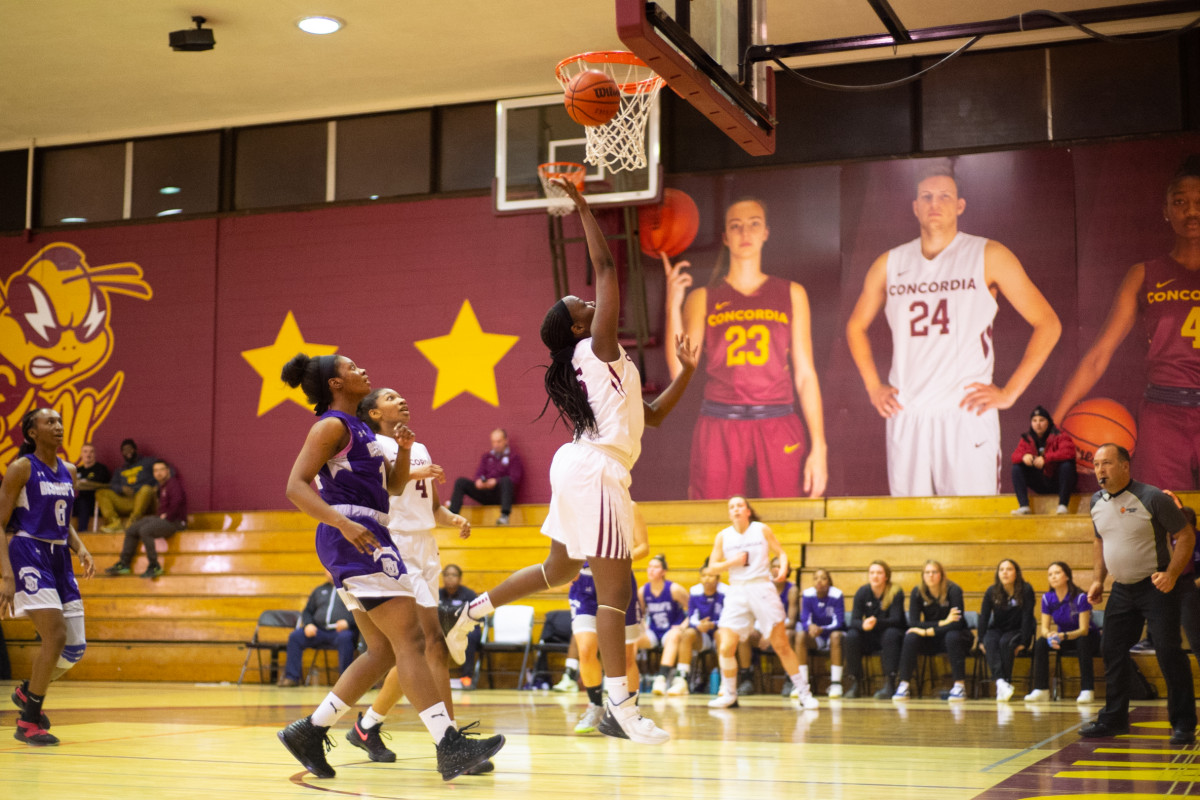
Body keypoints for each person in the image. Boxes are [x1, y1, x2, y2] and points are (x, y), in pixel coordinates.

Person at [445, 178, 699, 746]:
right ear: (581, 328)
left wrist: (686, 374)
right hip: (597, 470)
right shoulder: (595, 348)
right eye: (579, 306)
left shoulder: (605, 363)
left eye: (582, 300)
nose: (588, 299)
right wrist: (581, 206)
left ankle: (468, 613)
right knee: (615, 594)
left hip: (582, 463)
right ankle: (622, 710)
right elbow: (607, 271)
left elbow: (652, 416)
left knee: (558, 572)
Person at [274, 352, 503, 781]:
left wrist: (403, 450)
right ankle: (447, 744)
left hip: (371, 531)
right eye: (351, 367)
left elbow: (394, 487)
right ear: (335, 384)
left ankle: (310, 730)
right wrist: (341, 523)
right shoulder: (331, 426)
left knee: (381, 651)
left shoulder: (361, 430)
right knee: (411, 640)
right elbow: (294, 486)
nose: (362, 369)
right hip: (352, 533)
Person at [846, 162, 1062, 497]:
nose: (935, 203)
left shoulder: (987, 254)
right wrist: (874, 387)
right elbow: (856, 326)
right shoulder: (889, 264)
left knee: (973, 522)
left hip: (965, 413)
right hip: (908, 413)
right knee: (910, 525)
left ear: (960, 205)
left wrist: (1010, 393)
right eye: (927, 196)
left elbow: (1048, 323)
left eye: (945, 196)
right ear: (915, 206)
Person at [340, 387, 475, 766]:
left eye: (403, 396)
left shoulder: (420, 446)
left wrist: (451, 517)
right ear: (372, 412)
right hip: (394, 544)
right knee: (431, 642)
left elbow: (430, 505)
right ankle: (450, 742)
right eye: (390, 398)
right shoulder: (371, 445)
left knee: (415, 647)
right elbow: (382, 485)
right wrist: (413, 469)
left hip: (423, 545)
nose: (401, 400)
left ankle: (367, 726)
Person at [662, 197, 827, 500]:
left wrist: (820, 446)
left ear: (766, 232)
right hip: (721, 421)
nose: (745, 233)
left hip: (777, 420)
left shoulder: (791, 293)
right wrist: (673, 303)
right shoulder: (703, 297)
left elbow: (805, 375)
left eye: (754, 224)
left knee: (784, 520)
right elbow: (679, 372)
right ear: (725, 237)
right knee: (712, 522)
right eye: (735, 227)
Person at [1054, 157, 1200, 490]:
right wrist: (1054, 422)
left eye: (1198, 203)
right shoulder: (1145, 275)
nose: (1191, 211)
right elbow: (1097, 356)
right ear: (1165, 209)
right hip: (1164, 414)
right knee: (1164, 523)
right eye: (1180, 202)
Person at [1080, 443, 1196, 745]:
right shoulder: (1095, 501)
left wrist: (1171, 574)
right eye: (1095, 464)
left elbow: (1185, 535)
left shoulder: (1153, 497)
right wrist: (1097, 580)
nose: (1099, 470)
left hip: (1156, 587)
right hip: (1122, 589)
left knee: (1168, 652)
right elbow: (1099, 541)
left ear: (1124, 466)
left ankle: (1184, 722)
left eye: (1106, 463)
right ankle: (1114, 719)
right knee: (1111, 648)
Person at [0, 408, 94, 745]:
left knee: (74, 648)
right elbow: (0, 522)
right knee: (54, 635)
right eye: (49, 422)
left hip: (59, 556)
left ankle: (28, 692)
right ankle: (28, 723)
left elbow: (62, 519)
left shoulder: (69, 470)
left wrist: (80, 547)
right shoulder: (21, 468)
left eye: (59, 421)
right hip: (28, 552)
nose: (58, 426)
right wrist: (6, 576)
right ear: (31, 432)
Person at [705, 495, 819, 710]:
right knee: (727, 646)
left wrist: (784, 568)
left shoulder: (761, 529)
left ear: (748, 510)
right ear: (729, 513)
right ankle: (729, 694)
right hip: (737, 589)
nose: (736, 509)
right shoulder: (723, 536)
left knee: (781, 645)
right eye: (732, 507)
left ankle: (804, 693)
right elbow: (711, 567)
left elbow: (781, 553)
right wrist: (733, 562)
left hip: (761, 586)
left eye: (740, 505)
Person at [568, 503, 649, 735]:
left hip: (617, 579)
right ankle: (595, 706)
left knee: (625, 656)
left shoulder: (629, 506)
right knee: (585, 649)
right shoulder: (578, 505)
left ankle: (630, 713)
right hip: (584, 586)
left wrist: (615, 556)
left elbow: (643, 547)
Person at [892, 560, 971, 700]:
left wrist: (928, 631)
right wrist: (943, 622)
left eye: (934, 572)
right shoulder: (918, 592)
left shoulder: (953, 590)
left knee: (951, 636)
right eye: (927, 572)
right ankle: (904, 685)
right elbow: (914, 623)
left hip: (958, 637)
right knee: (911, 636)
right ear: (923, 575)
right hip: (933, 639)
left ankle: (959, 686)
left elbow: (956, 624)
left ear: (941, 575)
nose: (931, 575)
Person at [1024, 561, 1099, 703]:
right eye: (1050, 574)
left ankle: (1087, 690)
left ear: (1067, 576)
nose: (1053, 577)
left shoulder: (1081, 597)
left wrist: (1063, 636)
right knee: (1041, 642)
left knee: (1083, 642)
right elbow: (1044, 628)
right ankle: (1041, 690)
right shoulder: (1047, 598)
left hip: (1087, 638)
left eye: (1057, 573)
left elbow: (1083, 630)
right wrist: (1050, 636)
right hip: (1063, 638)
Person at [102, 460, 187, 578]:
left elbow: (177, 503)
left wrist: (167, 516)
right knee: (132, 529)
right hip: (163, 519)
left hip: (175, 522)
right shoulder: (161, 487)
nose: (158, 473)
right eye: (155, 470)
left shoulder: (173, 484)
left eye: (161, 470)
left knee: (145, 530)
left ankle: (154, 565)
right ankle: (124, 563)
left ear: (167, 471)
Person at [276, 570, 358, 688]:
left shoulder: (350, 590)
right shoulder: (319, 590)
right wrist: (309, 624)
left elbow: (361, 611)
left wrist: (348, 622)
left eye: (332, 569)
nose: (330, 572)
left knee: (346, 638)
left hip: (340, 632)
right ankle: (291, 678)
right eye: (328, 570)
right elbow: (307, 612)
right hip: (318, 631)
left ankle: (345, 682)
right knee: (295, 637)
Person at [842, 560, 906, 699]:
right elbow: (854, 620)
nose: (875, 576)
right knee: (852, 635)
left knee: (891, 634)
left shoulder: (895, 591)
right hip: (871, 636)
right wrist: (863, 625)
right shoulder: (863, 592)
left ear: (886, 576)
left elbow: (897, 620)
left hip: (891, 635)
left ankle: (890, 683)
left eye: (879, 573)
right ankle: (855, 683)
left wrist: (876, 622)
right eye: (872, 573)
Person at [976, 559, 1036, 702]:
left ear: (1016, 573)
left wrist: (1025, 642)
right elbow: (984, 617)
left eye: (1009, 569)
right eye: (1001, 569)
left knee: (1005, 643)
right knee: (990, 640)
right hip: (998, 628)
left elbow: (1028, 617)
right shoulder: (992, 591)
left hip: (1017, 629)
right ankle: (1001, 683)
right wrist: (980, 640)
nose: (1005, 572)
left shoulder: (1026, 589)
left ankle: (1004, 682)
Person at [637, 553, 689, 696]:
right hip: (654, 631)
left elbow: (693, 610)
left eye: (656, 567)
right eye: (649, 567)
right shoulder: (643, 590)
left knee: (673, 636)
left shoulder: (674, 589)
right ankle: (626, 679)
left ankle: (661, 679)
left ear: (664, 572)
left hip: (672, 630)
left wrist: (683, 626)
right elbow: (639, 614)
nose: (651, 570)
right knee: (632, 639)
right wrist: (642, 626)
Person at [674, 558, 727, 696]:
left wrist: (712, 624)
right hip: (702, 635)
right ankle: (681, 680)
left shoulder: (726, 591)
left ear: (718, 577)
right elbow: (691, 616)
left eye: (710, 576)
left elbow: (729, 618)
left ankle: (725, 682)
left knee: (721, 634)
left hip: (719, 633)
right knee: (687, 633)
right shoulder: (695, 591)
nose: (707, 579)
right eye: (703, 576)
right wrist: (699, 626)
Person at [448, 429, 523, 525]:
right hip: (486, 492)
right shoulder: (487, 457)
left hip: (502, 495)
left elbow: (515, 478)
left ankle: (504, 517)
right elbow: (478, 474)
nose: (496, 445)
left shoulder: (514, 457)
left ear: (505, 441)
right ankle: (452, 516)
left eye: (499, 441)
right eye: (493, 442)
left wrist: (496, 481)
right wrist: (479, 482)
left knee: (506, 480)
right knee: (460, 482)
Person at [1010, 405, 1076, 515]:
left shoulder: (1060, 435)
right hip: (1040, 481)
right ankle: (1024, 506)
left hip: (1057, 481)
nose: (1038, 424)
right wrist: (1023, 457)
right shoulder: (1027, 438)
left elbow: (1069, 452)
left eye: (1041, 420)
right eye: (1034, 420)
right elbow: (1014, 456)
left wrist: (1046, 459)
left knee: (1067, 465)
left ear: (1048, 422)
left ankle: (1063, 505)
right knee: (1016, 467)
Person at [797, 568, 847, 698]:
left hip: (832, 635)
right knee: (801, 635)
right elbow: (804, 619)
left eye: (823, 578)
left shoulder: (836, 595)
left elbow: (839, 622)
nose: (819, 581)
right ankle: (802, 684)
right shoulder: (807, 595)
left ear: (829, 582)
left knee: (836, 636)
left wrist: (822, 629)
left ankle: (836, 684)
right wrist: (810, 627)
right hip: (816, 637)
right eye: (816, 578)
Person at [95, 438, 159, 531]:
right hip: (128, 501)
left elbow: (166, 471)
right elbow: (112, 485)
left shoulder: (148, 462)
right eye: (124, 450)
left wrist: (157, 487)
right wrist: (122, 489)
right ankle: (114, 523)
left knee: (146, 489)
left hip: (145, 500)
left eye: (130, 448)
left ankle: (133, 522)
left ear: (135, 449)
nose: (127, 452)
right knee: (101, 493)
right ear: (122, 453)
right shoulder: (120, 470)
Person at [439, 564, 480, 687]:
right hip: (442, 629)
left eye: (453, 575)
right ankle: (430, 678)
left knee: (471, 637)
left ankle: (467, 677)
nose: (450, 578)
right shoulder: (436, 594)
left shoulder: (469, 595)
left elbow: (477, 617)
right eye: (446, 575)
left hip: (465, 629)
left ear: (460, 578)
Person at [72, 443, 110, 532]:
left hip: (96, 502)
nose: (88, 455)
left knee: (83, 502)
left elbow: (103, 485)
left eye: (91, 452)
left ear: (95, 454)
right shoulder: (77, 470)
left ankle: (82, 532)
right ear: (81, 454)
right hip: (80, 500)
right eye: (85, 452)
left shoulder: (101, 469)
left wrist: (86, 484)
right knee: (65, 501)